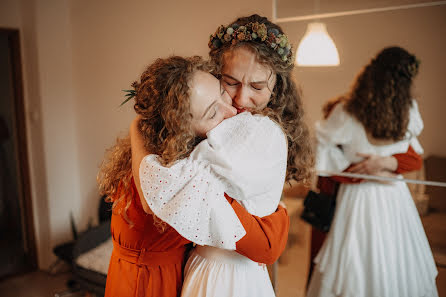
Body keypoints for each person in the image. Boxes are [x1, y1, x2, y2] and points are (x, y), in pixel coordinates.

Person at [130, 14, 315, 297]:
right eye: (230, 82)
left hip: (227, 273)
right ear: (215, 75)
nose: (240, 101)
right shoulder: (199, 124)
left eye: (257, 87)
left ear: (277, 86)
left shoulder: (259, 132)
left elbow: (162, 190)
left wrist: (135, 130)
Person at [99, 56, 290, 297]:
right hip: (150, 284)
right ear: (178, 129)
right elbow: (265, 246)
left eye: (222, 92)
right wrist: (281, 213)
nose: (233, 110)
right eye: (212, 113)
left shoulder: (171, 151)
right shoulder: (175, 174)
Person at [306, 46, 438, 297]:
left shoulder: (402, 111)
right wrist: (358, 173)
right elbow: (320, 152)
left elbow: (414, 158)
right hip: (371, 195)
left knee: (387, 260)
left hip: (384, 196)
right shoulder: (349, 110)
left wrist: (386, 163)